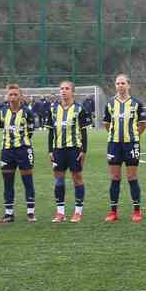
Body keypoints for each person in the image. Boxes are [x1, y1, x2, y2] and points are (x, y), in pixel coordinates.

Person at [101, 74, 146, 222]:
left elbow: (143, 124)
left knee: (132, 177)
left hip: (131, 144)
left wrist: (133, 136)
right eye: (117, 83)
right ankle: (113, 212)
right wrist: (115, 135)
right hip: (114, 145)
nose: (120, 86)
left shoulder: (136, 104)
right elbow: (107, 124)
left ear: (128, 85)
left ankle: (137, 211)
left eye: (123, 83)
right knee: (115, 178)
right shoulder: (110, 104)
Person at [0, 84, 39, 224]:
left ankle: (30, 213)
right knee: (8, 182)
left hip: (23, 150)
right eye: (10, 95)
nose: (12, 97)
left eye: (15, 94)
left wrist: (22, 142)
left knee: (27, 182)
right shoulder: (2, 111)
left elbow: (30, 131)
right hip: (7, 151)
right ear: (7, 96)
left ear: (20, 96)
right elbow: (1, 126)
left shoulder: (27, 112)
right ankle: (8, 214)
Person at [47, 80, 89, 222]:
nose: (63, 91)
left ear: (72, 91)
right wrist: (50, 150)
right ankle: (60, 212)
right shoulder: (53, 109)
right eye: (61, 89)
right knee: (59, 179)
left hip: (74, 149)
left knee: (77, 178)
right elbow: (51, 132)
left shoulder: (79, 109)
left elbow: (83, 132)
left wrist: (84, 150)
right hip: (58, 149)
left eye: (66, 88)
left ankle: (78, 211)